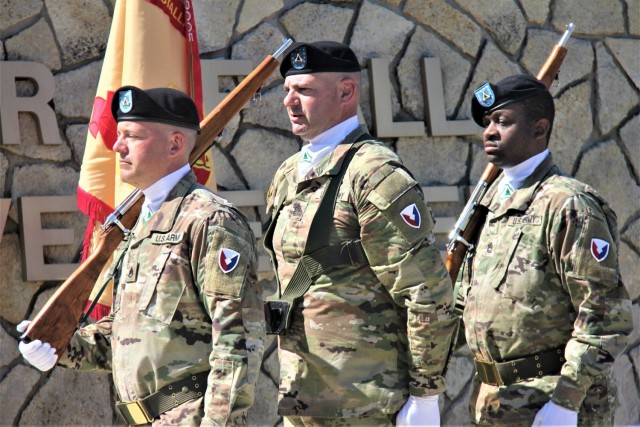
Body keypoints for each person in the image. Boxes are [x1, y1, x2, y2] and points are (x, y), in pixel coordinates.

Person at [18, 86, 265, 426]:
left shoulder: (209, 220)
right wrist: (61, 345)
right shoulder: (138, 225)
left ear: (175, 144)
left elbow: (239, 340)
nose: (117, 146)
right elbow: (128, 332)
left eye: (132, 136)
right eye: (120, 135)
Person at [263, 41, 457, 426]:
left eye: (304, 91)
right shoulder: (288, 174)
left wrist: (425, 396)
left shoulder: (374, 174)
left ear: (346, 92)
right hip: (304, 400)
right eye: (287, 90)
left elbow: (427, 292)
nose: (289, 101)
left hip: (365, 406)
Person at [457, 74, 633, 426]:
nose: (489, 131)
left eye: (503, 121)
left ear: (539, 130)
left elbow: (603, 312)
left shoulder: (569, 204)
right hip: (494, 400)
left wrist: (566, 402)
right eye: (487, 122)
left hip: (553, 400)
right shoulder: (489, 203)